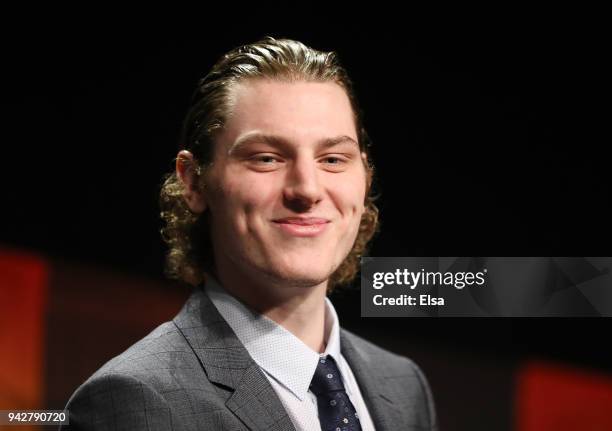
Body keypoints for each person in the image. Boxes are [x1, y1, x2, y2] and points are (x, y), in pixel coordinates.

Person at [61, 37, 438, 431]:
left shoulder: (402, 386)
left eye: (332, 159)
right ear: (193, 182)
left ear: (365, 177)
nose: (307, 190)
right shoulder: (133, 400)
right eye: (266, 158)